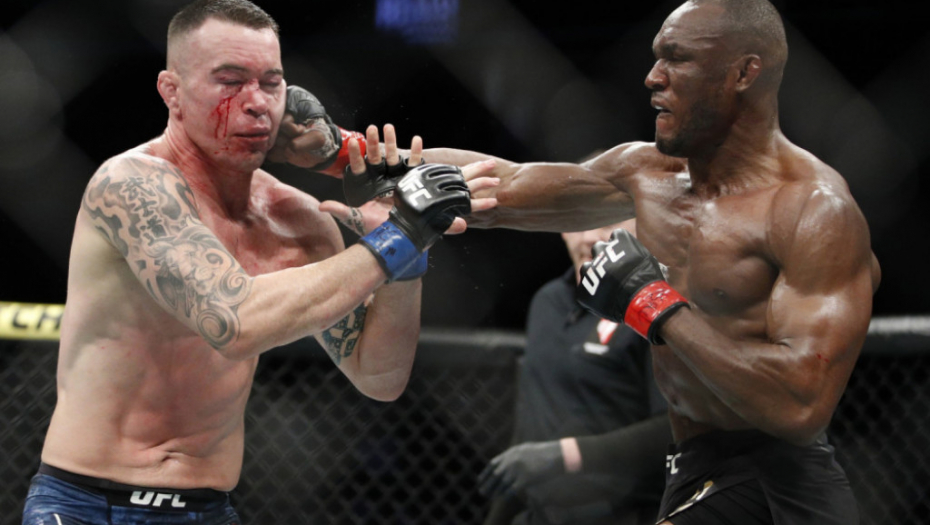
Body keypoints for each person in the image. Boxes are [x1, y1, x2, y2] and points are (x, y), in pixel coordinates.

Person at [377, 0, 880, 522]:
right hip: (689, 468)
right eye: (656, 57)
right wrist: (358, 156)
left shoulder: (814, 210)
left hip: (776, 482)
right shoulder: (648, 173)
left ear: (744, 73)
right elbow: (505, 184)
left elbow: (800, 407)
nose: (652, 77)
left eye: (676, 58)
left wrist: (654, 304)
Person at [20, 1, 497, 524]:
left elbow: (380, 376)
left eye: (271, 83)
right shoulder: (131, 187)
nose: (256, 103)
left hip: (208, 510)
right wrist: (399, 237)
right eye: (230, 81)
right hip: (86, 504)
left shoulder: (298, 219)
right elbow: (235, 322)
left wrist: (407, 254)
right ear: (171, 91)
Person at [478, 219, 671, 525]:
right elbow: (532, 427)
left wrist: (565, 455)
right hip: (542, 514)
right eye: (580, 223)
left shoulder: (659, 309)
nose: (590, 238)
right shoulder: (548, 301)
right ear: (563, 230)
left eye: (608, 222)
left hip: (626, 513)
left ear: (639, 223)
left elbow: (675, 430)